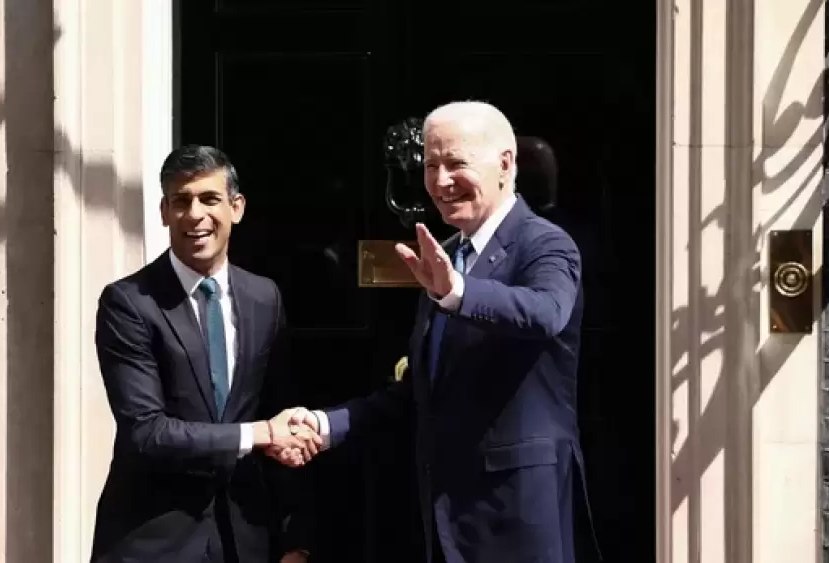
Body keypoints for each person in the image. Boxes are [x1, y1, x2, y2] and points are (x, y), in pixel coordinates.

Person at [282, 101, 598, 563]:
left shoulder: (543, 242)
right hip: (445, 518)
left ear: (505, 164)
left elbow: (546, 312)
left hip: (518, 517)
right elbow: (423, 390)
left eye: (456, 163)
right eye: (432, 165)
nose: (441, 181)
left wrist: (458, 292)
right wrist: (327, 424)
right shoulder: (448, 255)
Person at [90, 145, 321, 563]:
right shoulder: (129, 303)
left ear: (237, 207)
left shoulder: (263, 298)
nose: (195, 214)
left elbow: (282, 411)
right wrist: (260, 433)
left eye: (209, 199)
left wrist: (296, 538)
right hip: (153, 541)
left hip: (246, 538)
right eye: (181, 201)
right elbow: (145, 431)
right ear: (164, 212)